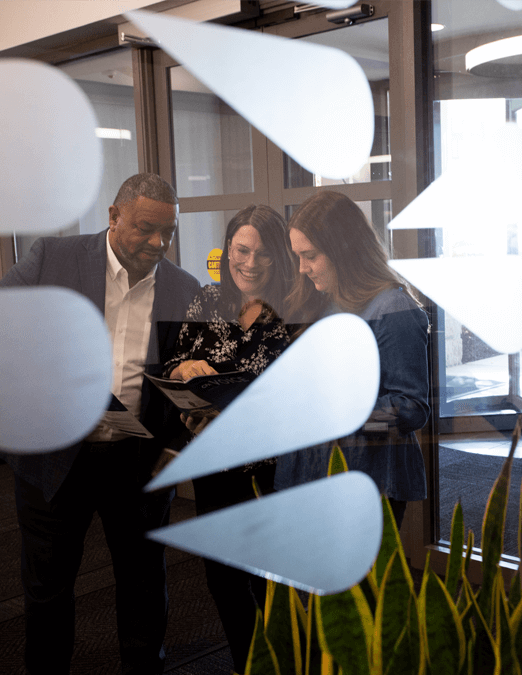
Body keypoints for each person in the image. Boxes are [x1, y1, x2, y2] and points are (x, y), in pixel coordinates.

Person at [0, 173, 200, 675]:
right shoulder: (53, 259)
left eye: (168, 233)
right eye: (146, 229)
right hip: (54, 457)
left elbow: (185, 386)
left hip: (136, 464)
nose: (158, 243)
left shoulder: (183, 289)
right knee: (48, 589)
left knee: (143, 584)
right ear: (113, 217)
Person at [163, 204, 295, 674]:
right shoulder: (206, 301)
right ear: (228, 249)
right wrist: (185, 369)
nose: (250, 262)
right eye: (241, 249)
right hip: (214, 468)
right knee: (223, 579)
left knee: (270, 584)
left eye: (262, 253)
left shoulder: (297, 308)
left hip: (271, 472)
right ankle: (245, 665)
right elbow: (174, 361)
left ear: (279, 256)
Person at [275, 190, 430, 528]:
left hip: (363, 481)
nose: (302, 269)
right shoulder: (323, 300)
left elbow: (412, 409)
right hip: (310, 473)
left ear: (343, 250)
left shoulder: (392, 308)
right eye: (297, 256)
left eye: (310, 256)